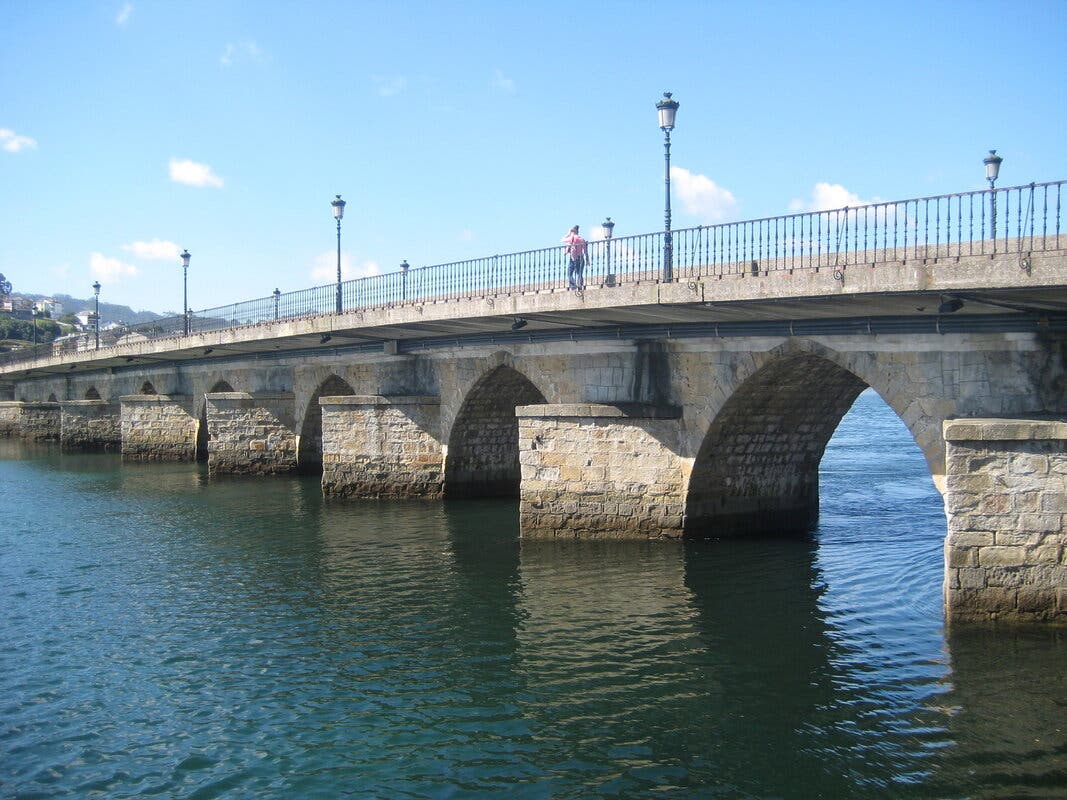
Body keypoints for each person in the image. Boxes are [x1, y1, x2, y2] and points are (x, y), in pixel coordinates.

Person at [561, 225, 588, 290]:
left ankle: (573, 286)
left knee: (569, 273)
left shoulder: (572, 238)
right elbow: (585, 251)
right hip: (581, 257)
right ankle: (580, 286)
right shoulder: (582, 239)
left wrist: (569, 233)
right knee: (579, 273)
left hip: (573, 258)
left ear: (573, 231)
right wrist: (587, 259)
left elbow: (562, 240)